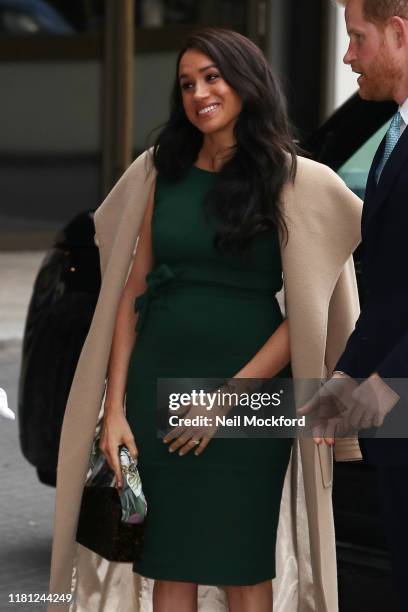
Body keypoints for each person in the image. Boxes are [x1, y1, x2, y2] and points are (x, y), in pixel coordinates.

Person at [47, 28, 362, 612]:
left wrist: (228, 399)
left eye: (212, 77)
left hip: (249, 391)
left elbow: (309, 312)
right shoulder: (157, 170)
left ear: (247, 81)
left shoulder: (292, 179)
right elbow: (130, 291)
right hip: (154, 385)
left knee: (242, 563)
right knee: (170, 562)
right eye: (187, 83)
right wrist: (113, 411)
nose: (198, 93)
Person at [302, 2, 408, 610]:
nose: (347, 56)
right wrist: (344, 378)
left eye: (357, 39)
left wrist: (388, 384)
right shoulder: (395, 132)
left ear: (398, 33)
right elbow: (394, 286)